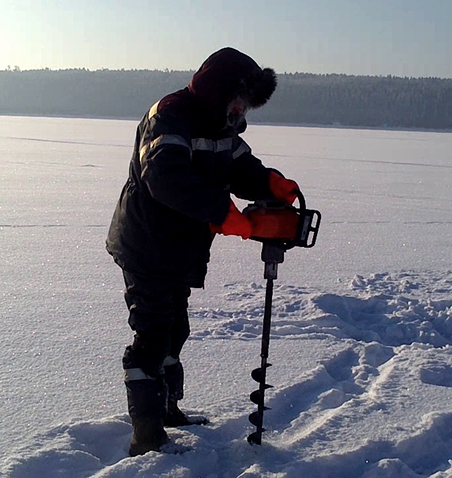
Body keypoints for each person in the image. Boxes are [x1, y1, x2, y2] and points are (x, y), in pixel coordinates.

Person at [106, 47, 301, 456]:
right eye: (239, 98)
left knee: (176, 329)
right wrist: (221, 213)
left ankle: (167, 410)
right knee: (153, 333)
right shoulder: (170, 115)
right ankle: (147, 436)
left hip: (179, 249)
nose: (240, 109)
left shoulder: (222, 127)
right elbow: (164, 176)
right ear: (219, 89)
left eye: (247, 104)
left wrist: (270, 183)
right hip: (147, 244)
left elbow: (239, 168)